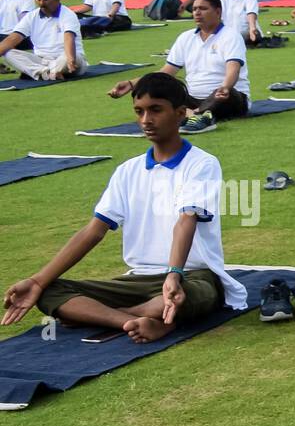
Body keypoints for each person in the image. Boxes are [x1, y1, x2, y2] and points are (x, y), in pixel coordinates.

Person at [2, 73, 246, 344]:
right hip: (139, 281)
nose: (146, 121)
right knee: (49, 292)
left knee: (187, 296)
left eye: (155, 110)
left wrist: (174, 274)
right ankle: (134, 320)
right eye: (139, 112)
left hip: (192, 276)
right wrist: (37, 281)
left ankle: (112, 315)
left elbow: (185, 221)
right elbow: (94, 231)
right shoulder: (127, 171)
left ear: (179, 114)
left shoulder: (202, 163)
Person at [108, 0, 249, 131]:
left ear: (218, 12)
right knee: (164, 87)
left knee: (225, 94)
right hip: (193, 99)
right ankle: (197, 114)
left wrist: (225, 86)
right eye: (194, 9)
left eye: (203, 9)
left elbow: (233, 69)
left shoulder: (231, 36)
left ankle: (193, 114)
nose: (197, 13)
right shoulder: (185, 38)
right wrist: (131, 84)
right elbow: (166, 73)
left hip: (226, 97)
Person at [0, 0, 86, 81]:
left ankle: (42, 73)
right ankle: (46, 73)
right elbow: (14, 37)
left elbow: (68, 37)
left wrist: (70, 59)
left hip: (67, 57)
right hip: (42, 60)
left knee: (66, 59)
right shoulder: (32, 16)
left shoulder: (68, 14)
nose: (41, 3)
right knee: (9, 53)